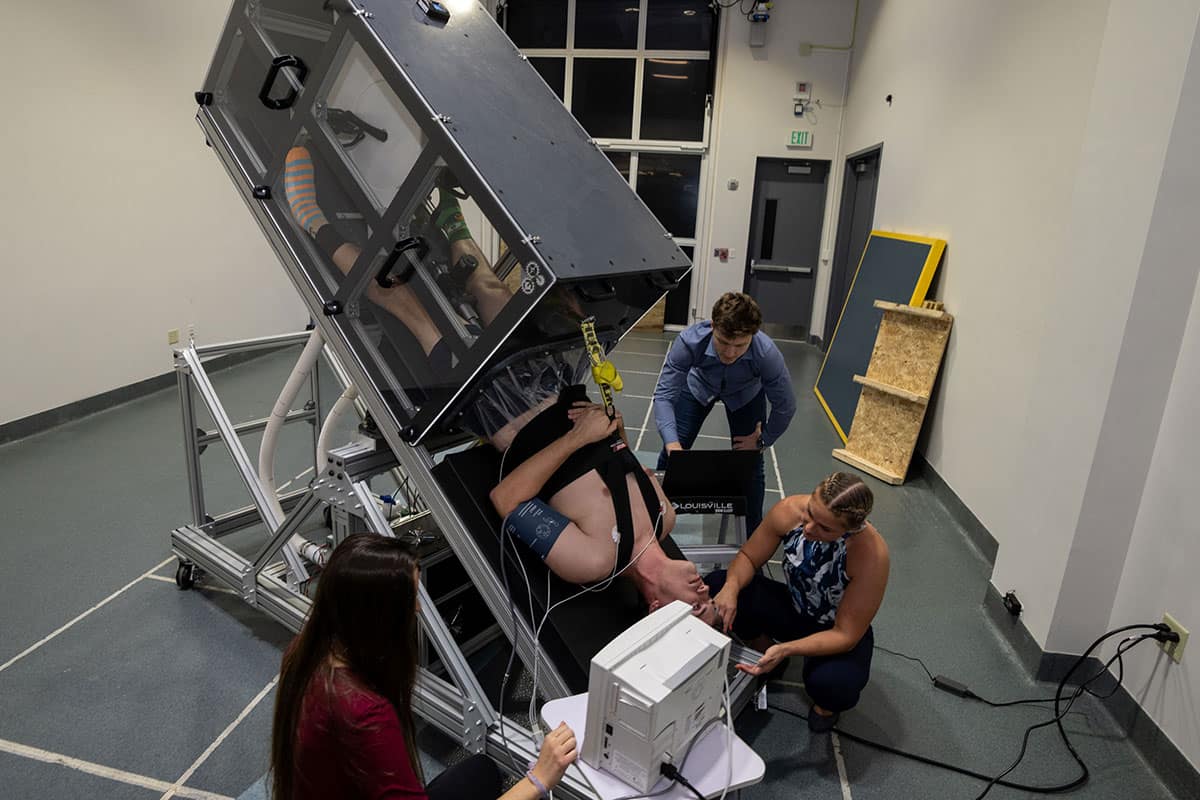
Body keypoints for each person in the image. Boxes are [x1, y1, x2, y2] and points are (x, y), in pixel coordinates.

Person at [271, 534, 579, 799]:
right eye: (411, 599)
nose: (418, 608)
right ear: (380, 616)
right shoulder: (366, 713)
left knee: (482, 772)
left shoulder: (304, 651)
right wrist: (540, 778)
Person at [489, 386, 719, 625]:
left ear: (657, 608)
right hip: (559, 386)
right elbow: (622, 462)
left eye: (697, 606)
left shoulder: (591, 561)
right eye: (710, 599)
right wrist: (615, 427)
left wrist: (577, 438)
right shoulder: (666, 516)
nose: (704, 590)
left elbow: (505, 498)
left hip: (504, 411)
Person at [283, 145, 513, 368]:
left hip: (484, 388)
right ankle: (454, 224)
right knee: (497, 294)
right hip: (527, 368)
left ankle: (314, 222)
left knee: (433, 324)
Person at [705, 472, 889, 733]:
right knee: (718, 584)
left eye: (825, 528)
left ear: (850, 528)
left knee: (835, 685)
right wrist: (731, 588)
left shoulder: (871, 555)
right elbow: (748, 557)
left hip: (833, 627)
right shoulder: (789, 510)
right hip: (794, 604)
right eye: (810, 513)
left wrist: (787, 648)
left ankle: (823, 703)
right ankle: (766, 650)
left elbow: (846, 634)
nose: (809, 528)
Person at [653, 292, 797, 534]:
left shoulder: (766, 354)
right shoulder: (689, 342)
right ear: (713, 326)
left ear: (753, 335)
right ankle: (653, 521)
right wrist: (672, 443)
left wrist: (763, 440)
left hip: (746, 394)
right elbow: (665, 395)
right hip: (698, 386)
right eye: (723, 342)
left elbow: (786, 405)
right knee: (673, 454)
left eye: (740, 345)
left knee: (750, 462)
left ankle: (753, 539)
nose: (730, 353)